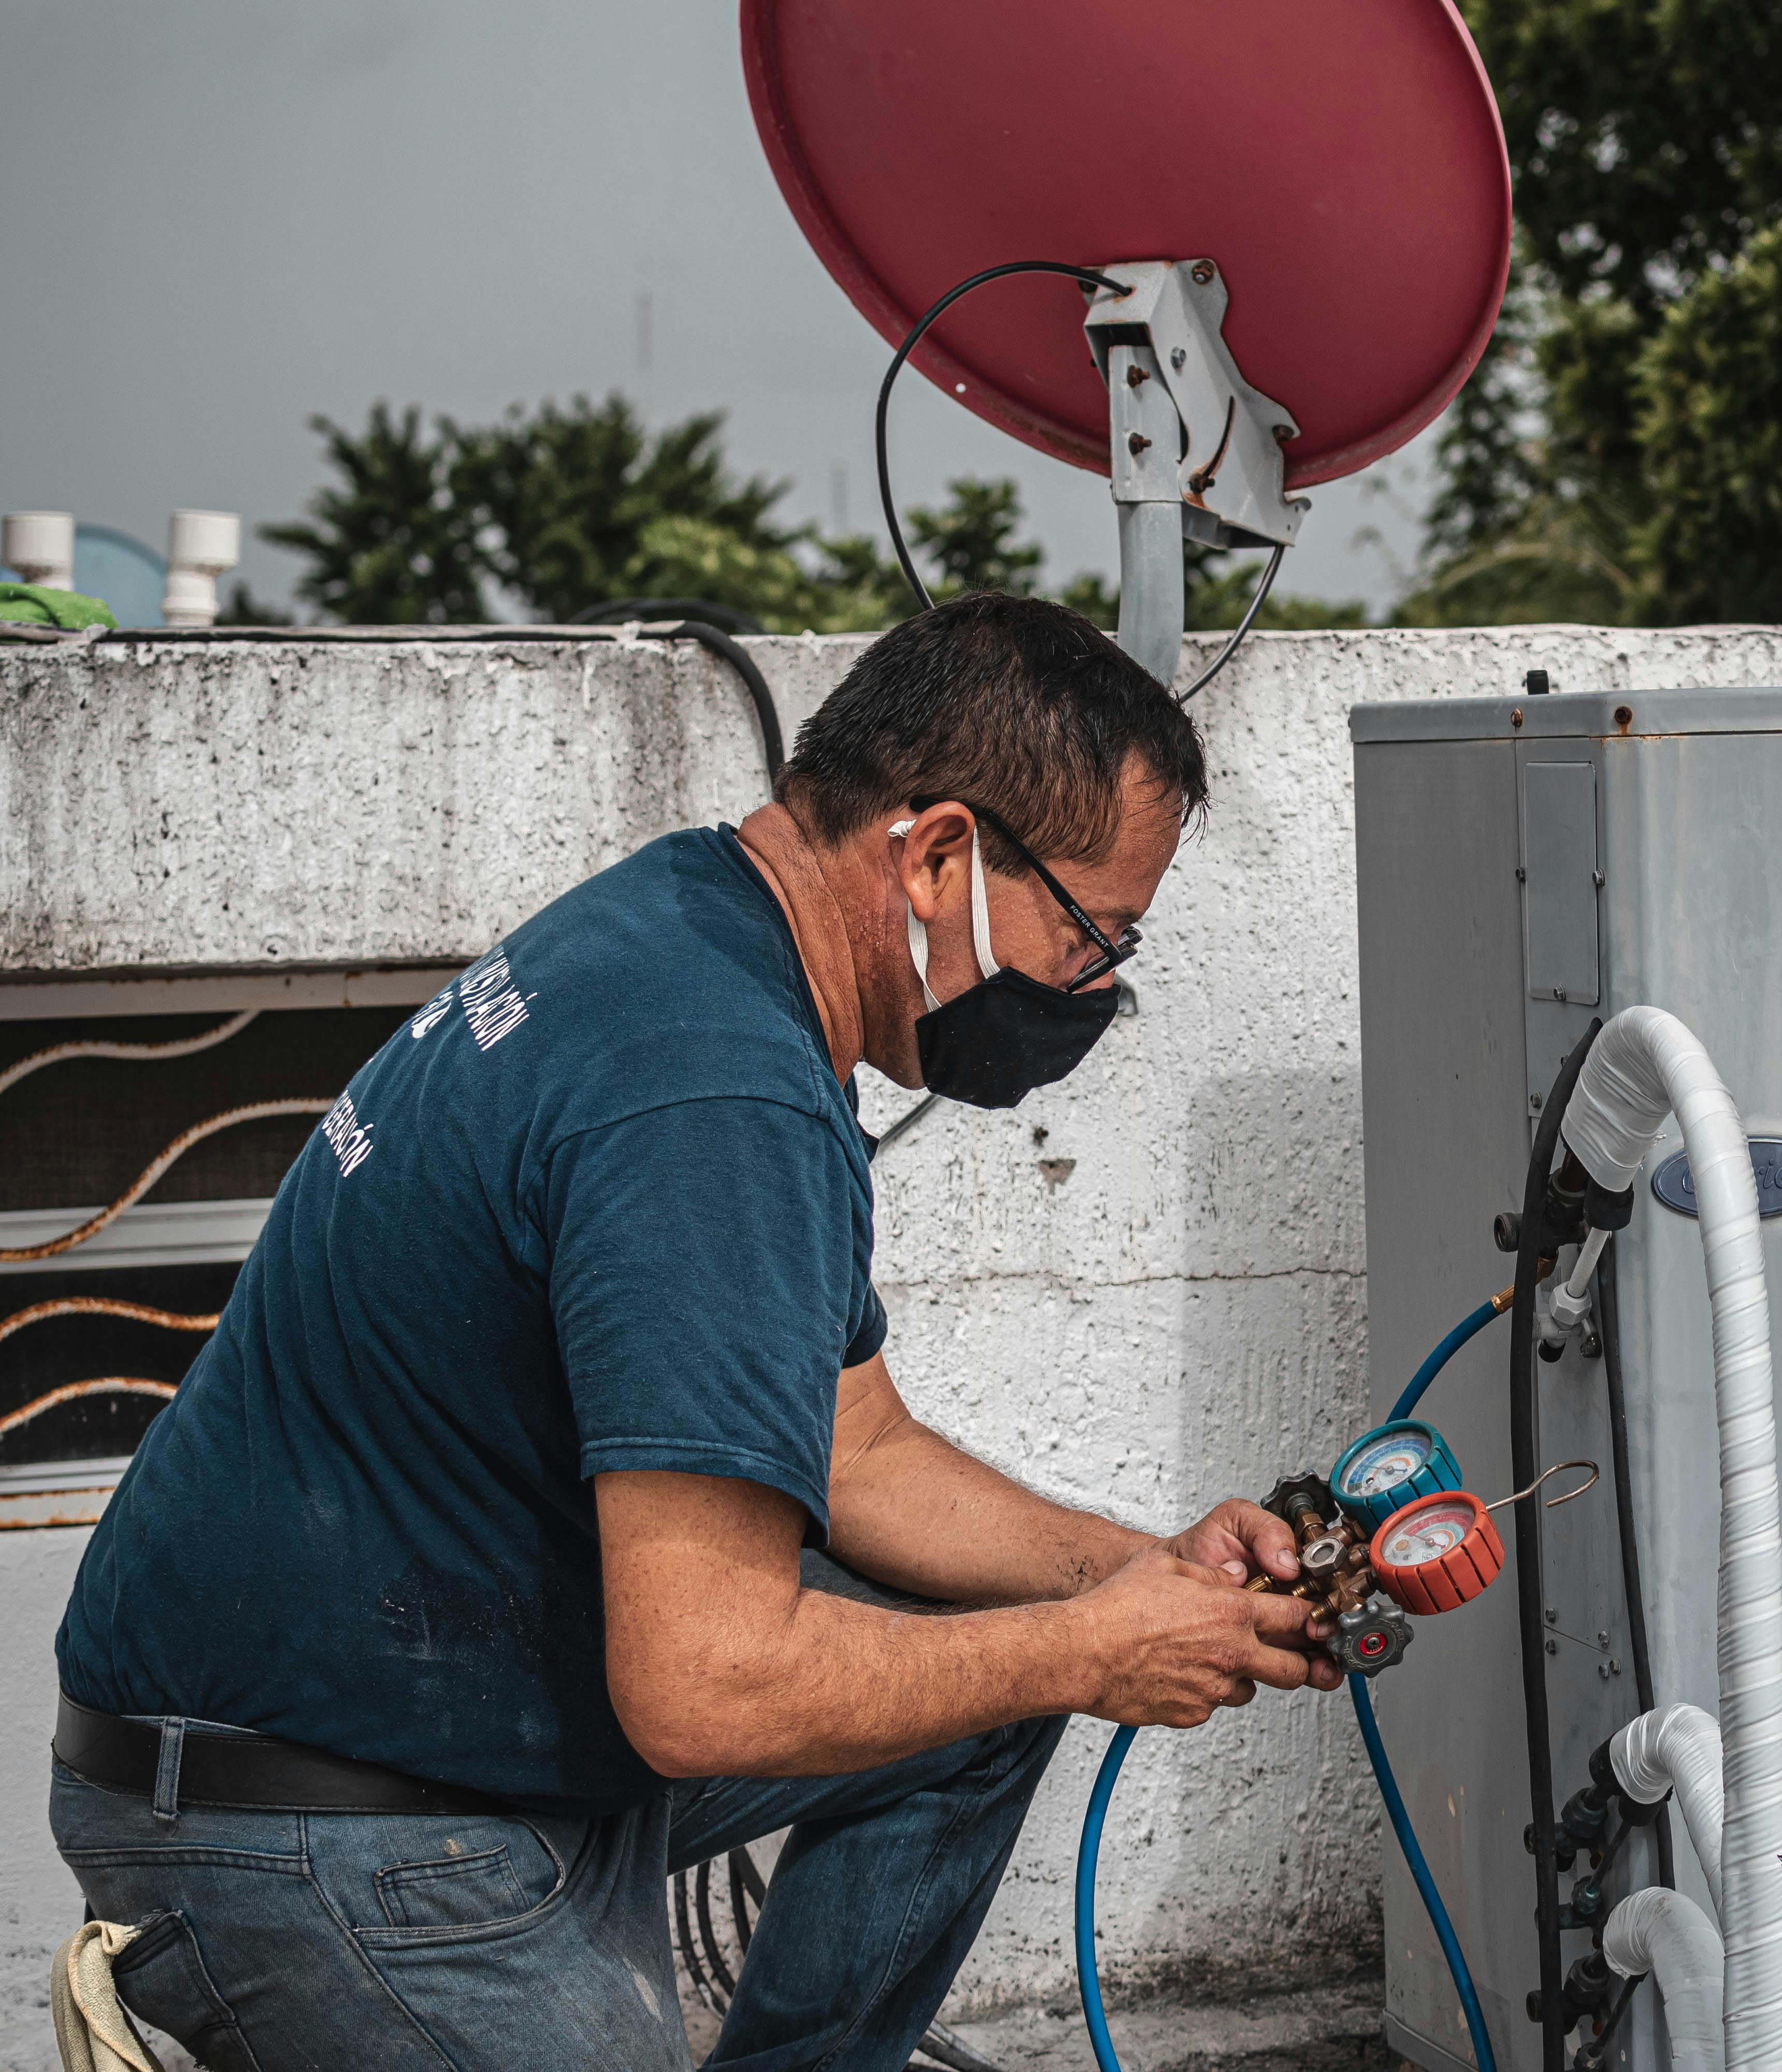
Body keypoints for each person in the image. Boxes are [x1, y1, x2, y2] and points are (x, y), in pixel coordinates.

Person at [47, 595, 1336, 2070]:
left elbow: (858, 1448)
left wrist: (1139, 1577)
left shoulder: (689, 924)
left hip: (383, 1731)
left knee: (981, 1687)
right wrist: (1087, 1652)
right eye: (1094, 934)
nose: (1098, 989)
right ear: (937, 856)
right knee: (1011, 1667)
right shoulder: (716, 1099)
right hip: (307, 1825)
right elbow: (706, 1685)